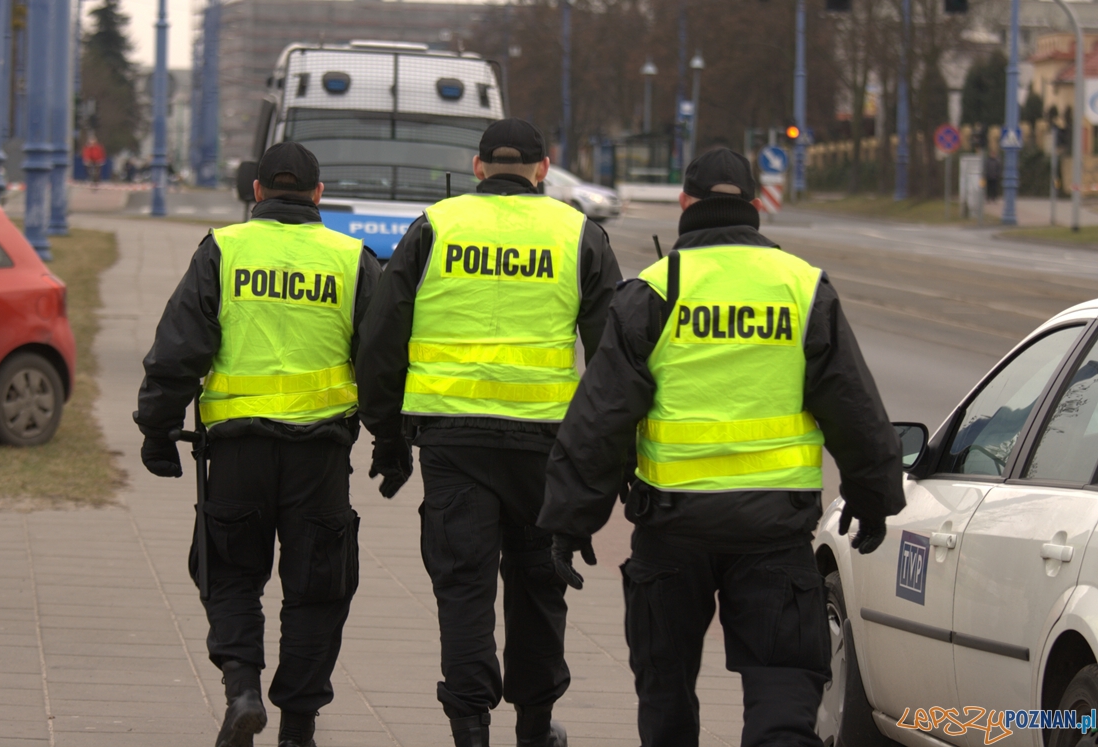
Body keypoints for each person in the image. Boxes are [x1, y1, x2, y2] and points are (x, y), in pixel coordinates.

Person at [538, 147, 905, 747]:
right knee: (784, 687)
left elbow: (601, 418)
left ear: (685, 204)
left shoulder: (655, 291)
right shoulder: (802, 288)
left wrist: (569, 521)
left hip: (672, 527)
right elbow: (854, 407)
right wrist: (874, 497)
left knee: (665, 684)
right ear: (757, 206)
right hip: (774, 530)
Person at [356, 118, 622, 747]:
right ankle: (534, 726)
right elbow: (613, 357)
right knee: (539, 587)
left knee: (463, 587)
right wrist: (600, 458)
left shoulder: (435, 227)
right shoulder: (580, 233)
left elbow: (381, 338)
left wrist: (387, 436)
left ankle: (470, 728)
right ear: (544, 168)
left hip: (453, 445)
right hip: (544, 448)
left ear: (477, 168)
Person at [133, 142, 381, 747]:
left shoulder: (224, 249)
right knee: (317, 588)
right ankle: (298, 727)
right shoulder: (353, 260)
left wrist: (158, 429)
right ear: (319, 195)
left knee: (229, 575)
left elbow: (180, 348)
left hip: (237, 453)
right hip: (320, 456)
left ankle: (242, 687)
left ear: (257, 193)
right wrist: (393, 439)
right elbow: (380, 362)